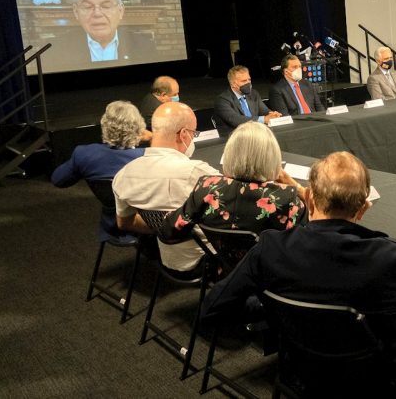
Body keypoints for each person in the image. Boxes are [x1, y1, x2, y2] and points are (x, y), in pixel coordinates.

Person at [200, 151, 396, 395]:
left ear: (308, 199)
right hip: (371, 378)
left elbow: (212, 308)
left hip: (299, 369)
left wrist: (270, 307)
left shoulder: (269, 249)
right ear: (363, 209)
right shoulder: (387, 258)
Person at [160, 121, 305, 258]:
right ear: (273, 158)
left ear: (229, 154)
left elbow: (169, 230)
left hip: (226, 275)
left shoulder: (207, 187)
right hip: (272, 279)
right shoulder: (287, 199)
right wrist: (297, 187)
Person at [113, 102, 219, 274]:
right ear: (183, 134)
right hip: (210, 262)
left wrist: (163, 226)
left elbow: (124, 222)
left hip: (165, 260)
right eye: (194, 133)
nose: (193, 138)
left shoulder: (124, 175)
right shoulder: (196, 172)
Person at [52, 100, 145, 241]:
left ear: (104, 127)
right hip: (144, 226)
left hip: (110, 226)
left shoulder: (84, 154)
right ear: (138, 129)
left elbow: (58, 180)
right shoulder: (146, 158)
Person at [52, 0, 155, 65]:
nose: (97, 13)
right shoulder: (56, 49)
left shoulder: (144, 45)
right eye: (87, 6)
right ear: (76, 12)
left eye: (106, 6)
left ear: (120, 11)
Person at [212, 66, 281, 136]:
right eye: (244, 81)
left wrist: (273, 114)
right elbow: (236, 120)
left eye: (249, 80)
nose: (248, 83)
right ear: (233, 84)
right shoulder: (222, 100)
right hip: (233, 136)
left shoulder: (253, 93)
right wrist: (264, 119)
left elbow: (264, 111)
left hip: (255, 133)